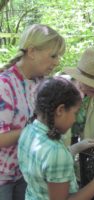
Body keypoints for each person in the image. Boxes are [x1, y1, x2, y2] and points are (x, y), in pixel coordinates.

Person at [17, 77, 94, 199]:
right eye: (74, 113)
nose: (74, 120)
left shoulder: (28, 132)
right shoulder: (57, 154)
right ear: (60, 110)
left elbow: (43, 169)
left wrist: (73, 149)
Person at [0, 24, 65, 200]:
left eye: (58, 56)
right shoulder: (4, 85)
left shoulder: (41, 84)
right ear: (32, 51)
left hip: (26, 173)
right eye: (53, 56)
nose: (57, 61)